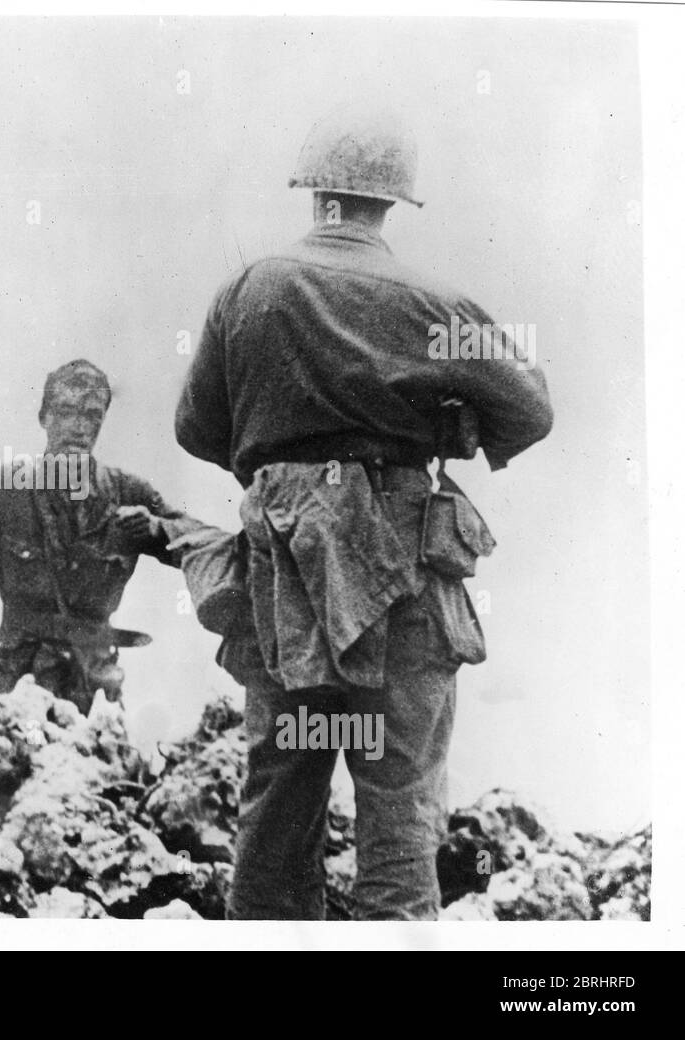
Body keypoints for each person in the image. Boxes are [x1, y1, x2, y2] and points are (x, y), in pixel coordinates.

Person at [175, 104, 553, 920]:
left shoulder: (248, 289)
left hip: (286, 583)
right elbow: (529, 409)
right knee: (398, 806)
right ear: (392, 202)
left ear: (316, 193)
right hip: (402, 579)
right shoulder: (435, 305)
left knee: (279, 802)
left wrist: (283, 458)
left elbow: (196, 428)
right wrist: (447, 425)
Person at [0, 359, 201, 716]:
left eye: (91, 415)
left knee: (97, 752)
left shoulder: (129, 492)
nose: (79, 427)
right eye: (66, 412)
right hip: (10, 678)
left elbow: (201, 542)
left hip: (89, 686)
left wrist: (157, 529)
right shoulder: (5, 486)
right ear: (44, 417)